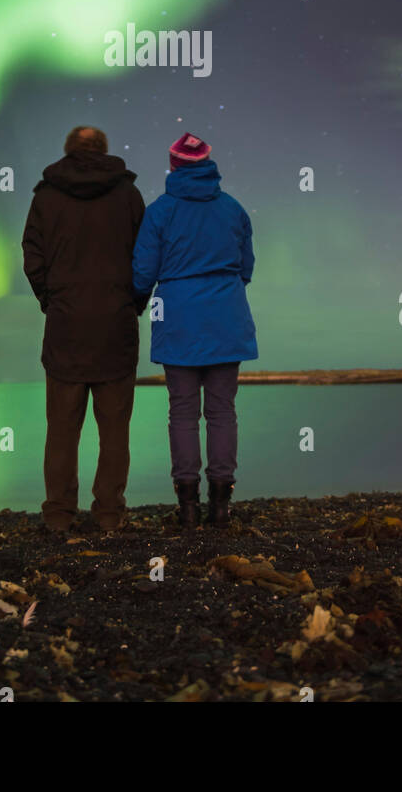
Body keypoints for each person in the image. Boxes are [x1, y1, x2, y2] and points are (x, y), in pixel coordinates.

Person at [22, 126, 146, 532]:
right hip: (115, 326)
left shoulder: (46, 196)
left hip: (66, 327)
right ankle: (109, 512)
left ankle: (58, 513)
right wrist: (132, 302)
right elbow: (146, 257)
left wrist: (52, 301)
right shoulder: (127, 195)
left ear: (67, 149)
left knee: (61, 428)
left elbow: (32, 256)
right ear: (104, 150)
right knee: (114, 430)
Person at [132, 133, 257, 528]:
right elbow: (246, 267)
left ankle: (187, 508)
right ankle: (221, 507)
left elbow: (142, 273)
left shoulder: (160, 211)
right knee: (223, 412)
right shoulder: (233, 209)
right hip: (226, 317)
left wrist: (144, 296)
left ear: (173, 165)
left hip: (178, 318)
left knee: (182, 413)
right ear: (207, 163)